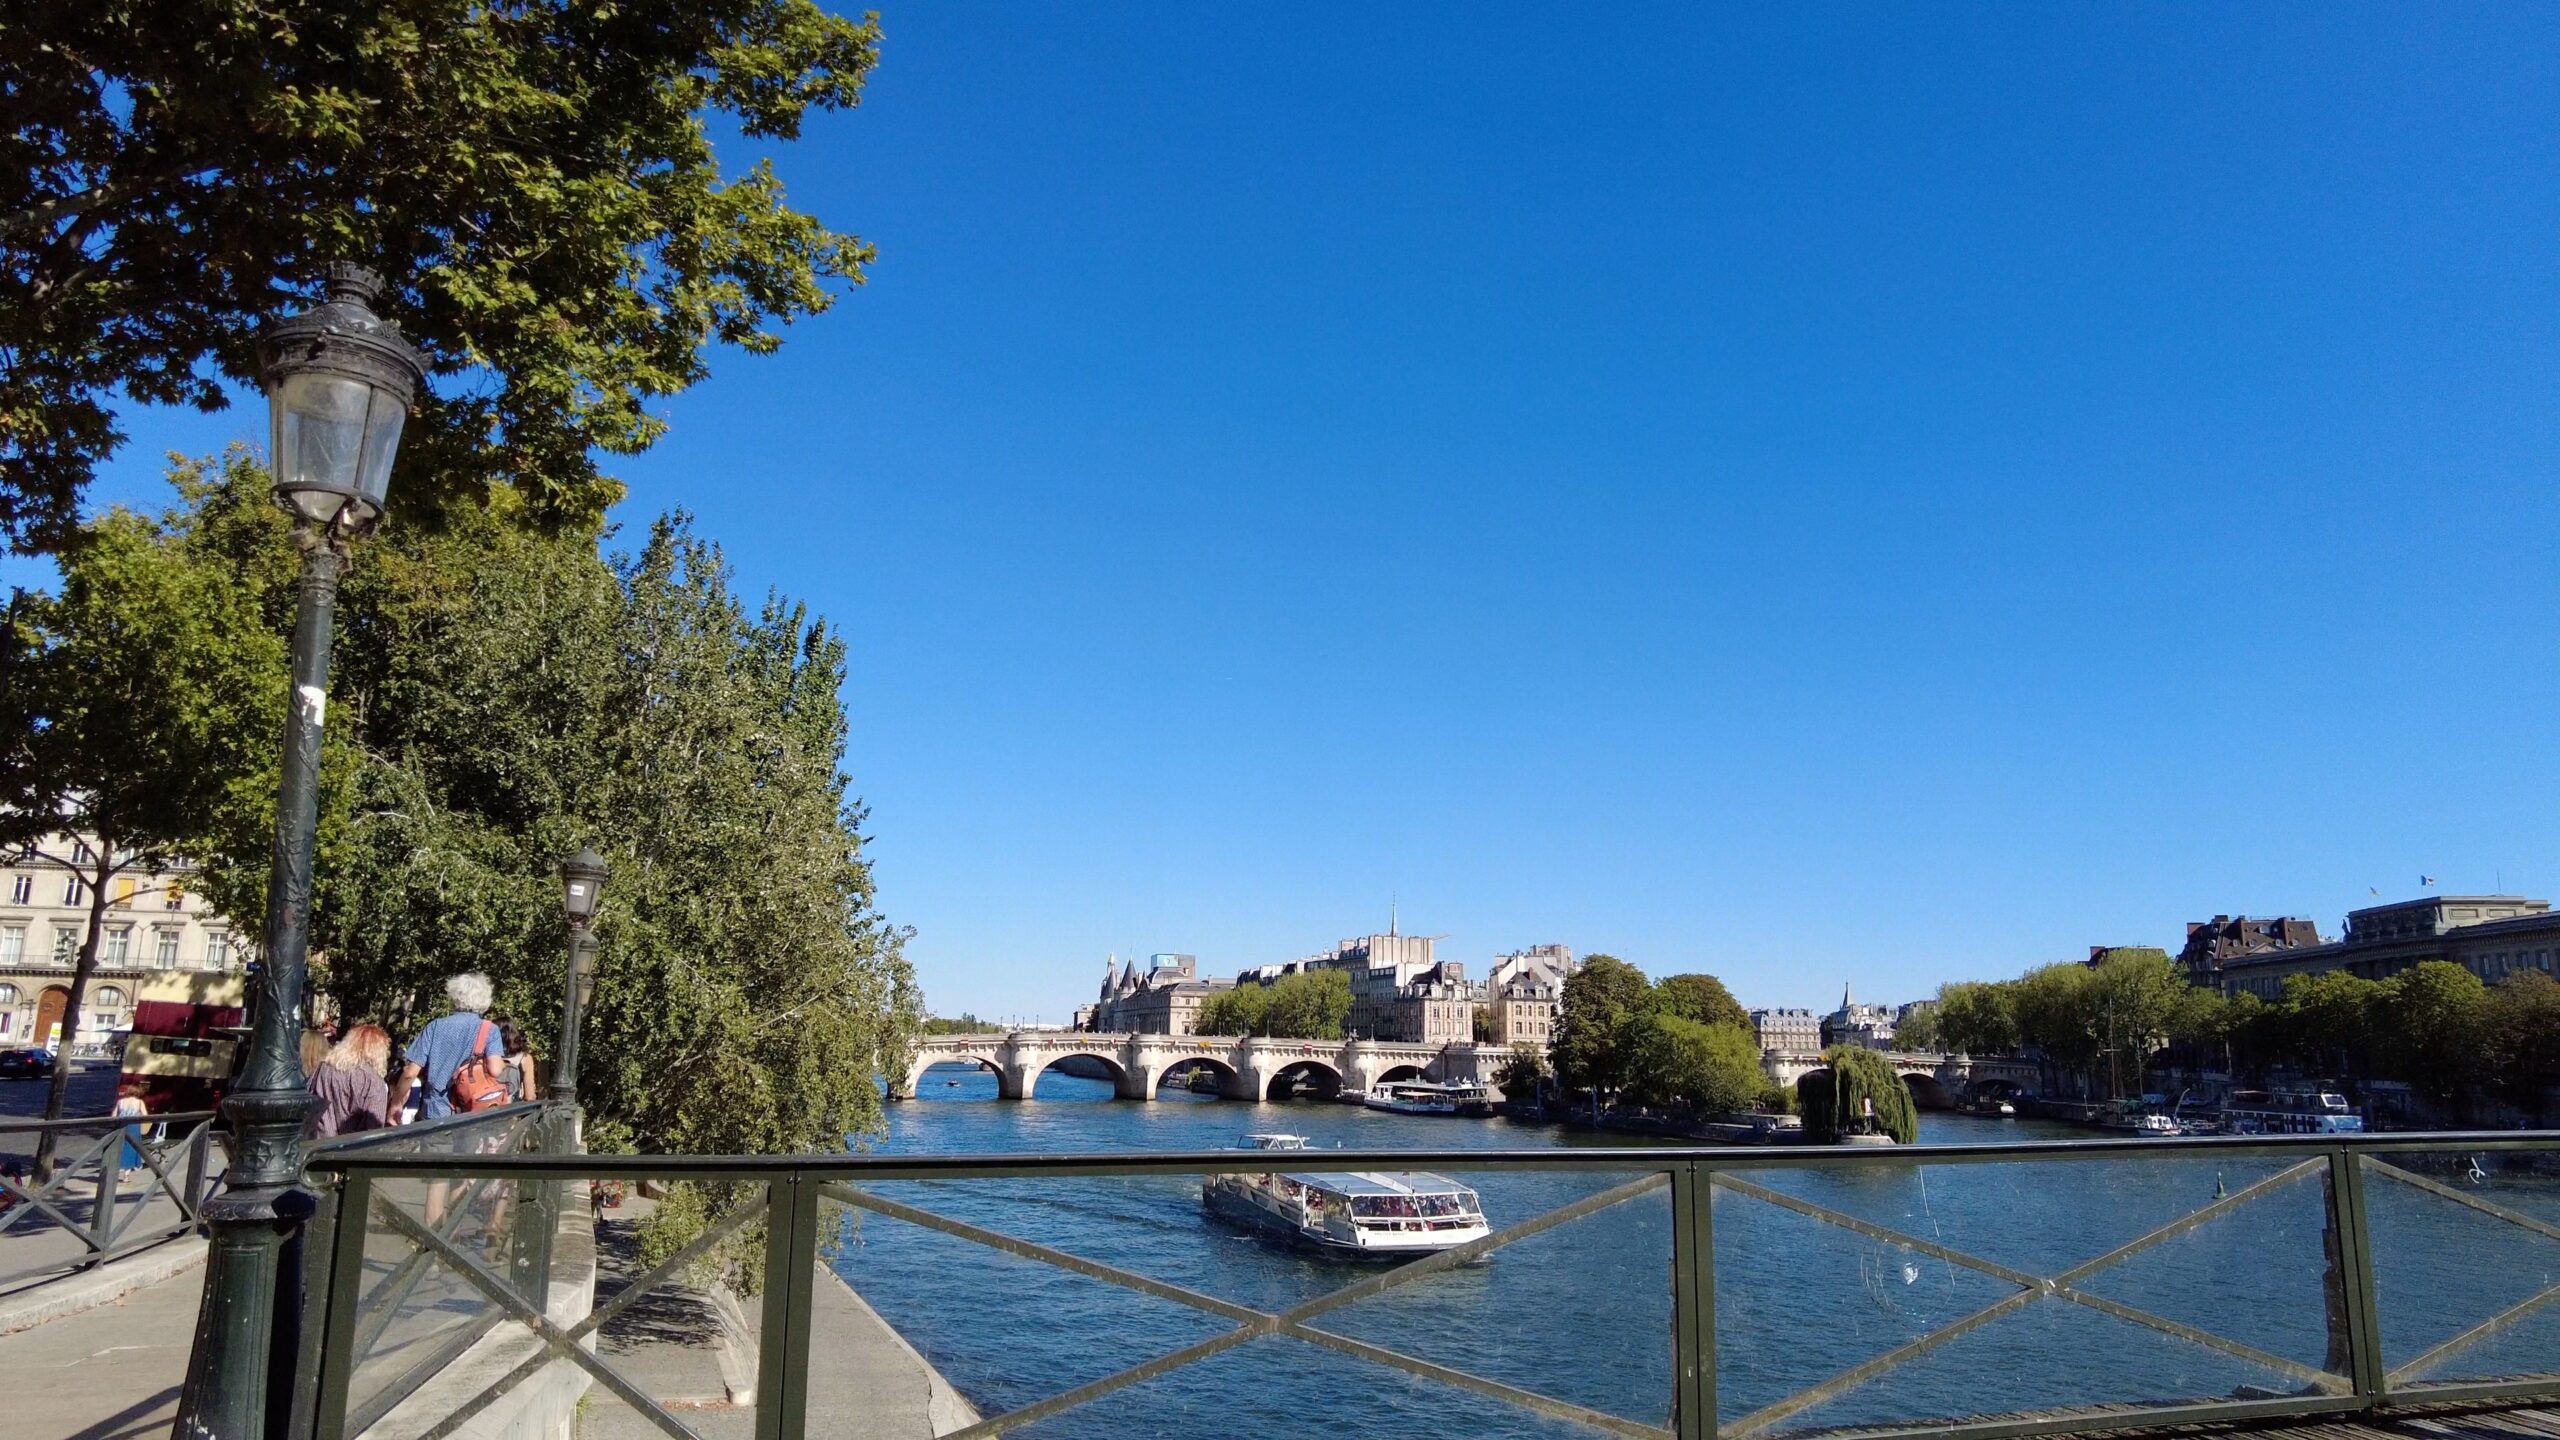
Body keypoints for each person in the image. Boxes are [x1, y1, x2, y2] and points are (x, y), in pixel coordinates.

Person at [393, 973, 502, 1125]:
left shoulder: (435, 1026)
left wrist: (395, 1104)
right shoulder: (490, 1030)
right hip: (472, 1113)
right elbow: (496, 1070)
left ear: (454, 997)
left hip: (435, 1113)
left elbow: (409, 1073)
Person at [308, 1024, 393, 1139]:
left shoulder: (323, 1068)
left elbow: (309, 1094)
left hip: (317, 1143)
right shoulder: (373, 1080)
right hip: (351, 1149)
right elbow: (375, 1125)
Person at [112, 1081, 150, 1182]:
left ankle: (116, 1169)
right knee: (132, 1148)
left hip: (122, 1125)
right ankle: (126, 1175)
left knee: (121, 1147)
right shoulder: (139, 1102)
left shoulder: (120, 1102)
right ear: (137, 1092)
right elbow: (145, 1115)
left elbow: (114, 1115)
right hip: (133, 1126)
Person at [496, 1020, 537, 1103]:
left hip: (488, 1109)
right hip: (512, 1109)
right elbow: (530, 1096)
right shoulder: (525, 1058)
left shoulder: (487, 1058)